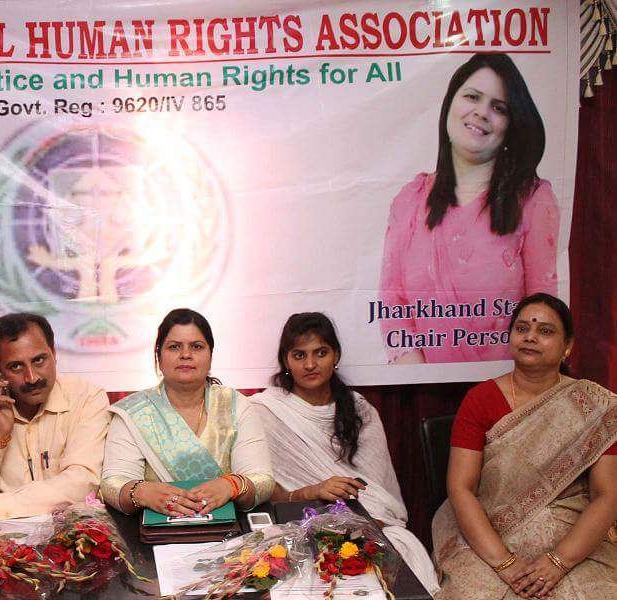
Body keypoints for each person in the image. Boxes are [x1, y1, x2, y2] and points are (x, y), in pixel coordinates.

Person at [432, 293, 617, 599]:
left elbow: (607, 495)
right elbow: (461, 488)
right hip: (488, 535)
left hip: (571, 538)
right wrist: (505, 563)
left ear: (568, 346)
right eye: (522, 329)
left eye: (545, 331)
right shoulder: (481, 400)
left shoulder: (594, 406)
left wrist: (559, 561)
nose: (530, 337)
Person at [379, 53, 559, 363]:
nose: (482, 112)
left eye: (498, 108)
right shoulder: (410, 200)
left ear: (510, 125)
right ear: (450, 102)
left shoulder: (533, 200)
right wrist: (419, 373)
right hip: (421, 382)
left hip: (508, 383)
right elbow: (391, 302)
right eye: (472, 97)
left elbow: (543, 312)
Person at [249, 312, 440, 595]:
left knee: (399, 552)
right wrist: (314, 492)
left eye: (320, 353)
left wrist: (359, 530)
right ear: (286, 361)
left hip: (369, 525)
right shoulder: (265, 411)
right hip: (295, 528)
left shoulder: (361, 410)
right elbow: (263, 491)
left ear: (335, 355)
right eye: (299, 355)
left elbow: (380, 496)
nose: (310, 364)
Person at [0, 313, 110, 523]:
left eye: (39, 360)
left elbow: (82, 483)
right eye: (16, 366)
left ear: (54, 354)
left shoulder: (87, 397)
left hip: (71, 531)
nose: (32, 377)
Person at [100, 308, 273, 516]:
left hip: (229, 530)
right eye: (174, 347)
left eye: (197, 346)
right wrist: (142, 492)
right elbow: (112, 483)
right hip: (154, 529)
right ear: (159, 356)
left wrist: (232, 485)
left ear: (210, 356)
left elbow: (262, 480)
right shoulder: (134, 412)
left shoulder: (236, 405)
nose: (185, 355)